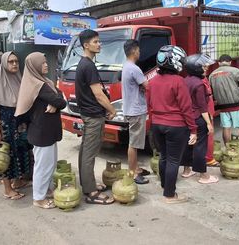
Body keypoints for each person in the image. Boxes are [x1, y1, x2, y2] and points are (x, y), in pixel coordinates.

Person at [15, 52, 67, 209]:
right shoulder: (40, 85)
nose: (46, 65)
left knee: (49, 164)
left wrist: (55, 102)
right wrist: (57, 102)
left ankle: (47, 190)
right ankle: (38, 198)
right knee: (43, 166)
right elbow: (62, 101)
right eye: (42, 63)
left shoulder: (44, 82)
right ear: (34, 66)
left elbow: (58, 96)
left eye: (46, 62)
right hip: (42, 132)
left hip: (45, 131)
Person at [148, 45, 198, 203]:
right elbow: (186, 108)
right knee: (173, 160)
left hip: (156, 125)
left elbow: (149, 104)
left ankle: (165, 185)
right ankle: (170, 195)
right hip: (176, 126)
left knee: (164, 157)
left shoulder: (153, 81)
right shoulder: (178, 81)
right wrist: (193, 130)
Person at [74, 29, 116, 205]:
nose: (99, 44)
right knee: (89, 153)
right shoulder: (88, 65)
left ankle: (87, 184)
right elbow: (98, 94)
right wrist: (112, 110)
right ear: (86, 45)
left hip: (87, 114)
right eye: (96, 42)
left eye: (99, 42)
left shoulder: (83, 64)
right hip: (93, 116)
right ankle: (91, 192)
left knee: (85, 151)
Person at [0, 51, 32, 199]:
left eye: (16, 61)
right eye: (11, 62)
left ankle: (18, 182)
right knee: (7, 157)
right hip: (5, 126)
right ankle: (8, 189)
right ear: (4, 64)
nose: (14, 64)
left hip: (19, 126)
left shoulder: (19, 79)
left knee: (20, 153)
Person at [180, 54, 219, 184]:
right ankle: (203, 176)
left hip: (186, 118)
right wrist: (209, 124)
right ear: (196, 68)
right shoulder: (199, 84)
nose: (206, 68)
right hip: (198, 118)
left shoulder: (185, 80)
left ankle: (186, 170)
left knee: (188, 144)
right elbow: (202, 107)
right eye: (203, 66)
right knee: (200, 147)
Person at [209, 55, 239, 161]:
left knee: (226, 127)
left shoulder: (212, 74)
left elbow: (210, 89)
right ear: (230, 62)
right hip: (236, 103)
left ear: (219, 63)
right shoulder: (235, 71)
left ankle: (228, 150)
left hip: (222, 105)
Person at [121, 39, 149, 185]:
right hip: (136, 110)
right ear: (133, 51)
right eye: (138, 50)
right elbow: (147, 86)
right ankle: (132, 173)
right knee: (134, 144)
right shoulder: (134, 68)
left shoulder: (126, 66)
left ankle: (135, 168)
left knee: (134, 143)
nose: (139, 52)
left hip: (130, 109)